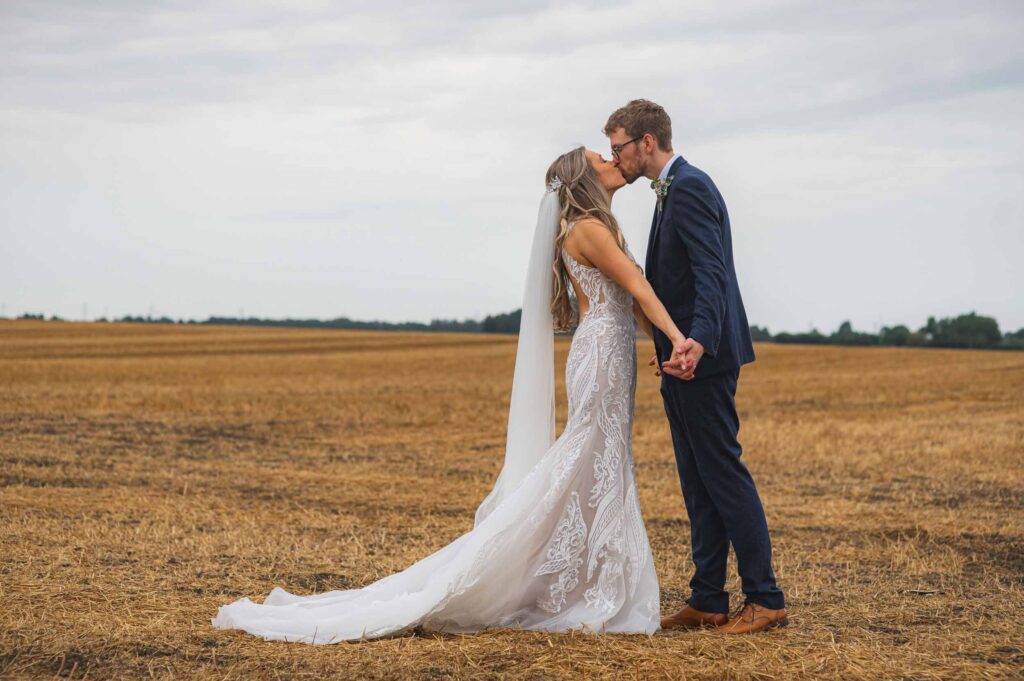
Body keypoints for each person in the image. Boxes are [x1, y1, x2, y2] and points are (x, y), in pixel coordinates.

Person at [212, 146, 691, 643]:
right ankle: (546, 568)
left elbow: (627, 293)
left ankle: (588, 573)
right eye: (602, 157)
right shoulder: (587, 229)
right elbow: (636, 283)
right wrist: (676, 339)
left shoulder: (597, 224)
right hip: (600, 353)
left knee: (602, 457)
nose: (613, 160)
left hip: (610, 349)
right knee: (589, 452)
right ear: (586, 177)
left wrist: (655, 341)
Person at [605, 99, 788, 634]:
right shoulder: (671, 191)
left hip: (700, 360)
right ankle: (708, 598)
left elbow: (713, 275)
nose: (617, 159)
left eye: (619, 148)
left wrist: (697, 344)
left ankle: (766, 597)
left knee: (724, 475)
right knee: (696, 480)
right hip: (680, 359)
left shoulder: (689, 186)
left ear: (646, 142)